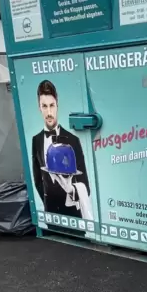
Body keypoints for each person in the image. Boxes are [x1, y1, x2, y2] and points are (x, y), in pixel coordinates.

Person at [31, 80, 92, 234]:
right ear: (39, 108)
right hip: (51, 217)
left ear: (57, 105)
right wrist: (49, 200)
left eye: (51, 105)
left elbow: (85, 183)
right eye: (44, 106)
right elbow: (38, 179)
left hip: (73, 217)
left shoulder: (73, 140)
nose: (49, 112)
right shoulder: (36, 140)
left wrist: (70, 189)